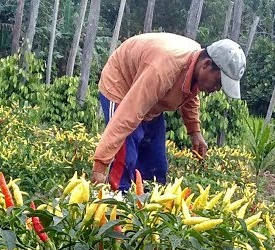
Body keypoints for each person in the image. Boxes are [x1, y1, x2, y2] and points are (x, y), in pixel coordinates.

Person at [91, 34, 246, 190]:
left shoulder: (195, 65)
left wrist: (195, 132)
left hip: (151, 96)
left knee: (156, 167)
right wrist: (100, 165)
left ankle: (144, 205)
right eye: (218, 82)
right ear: (206, 64)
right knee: (125, 160)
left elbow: (190, 93)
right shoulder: (162, 70)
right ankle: (116, 203)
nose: (217, 89)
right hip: (123, 86)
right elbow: (126, 116)